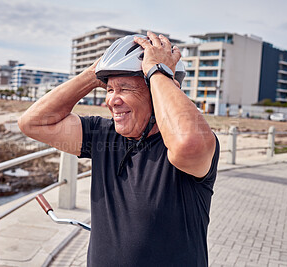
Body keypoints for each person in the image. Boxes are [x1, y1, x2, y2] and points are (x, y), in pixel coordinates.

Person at [18, 31, 219, 267]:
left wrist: (158, 72)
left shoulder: (186, 146)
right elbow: (32, 122)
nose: (112, 100)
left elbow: (189, 144)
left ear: (158, 93)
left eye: (124, 89)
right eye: (109, 89)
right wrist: (94, 74)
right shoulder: (104, 134)